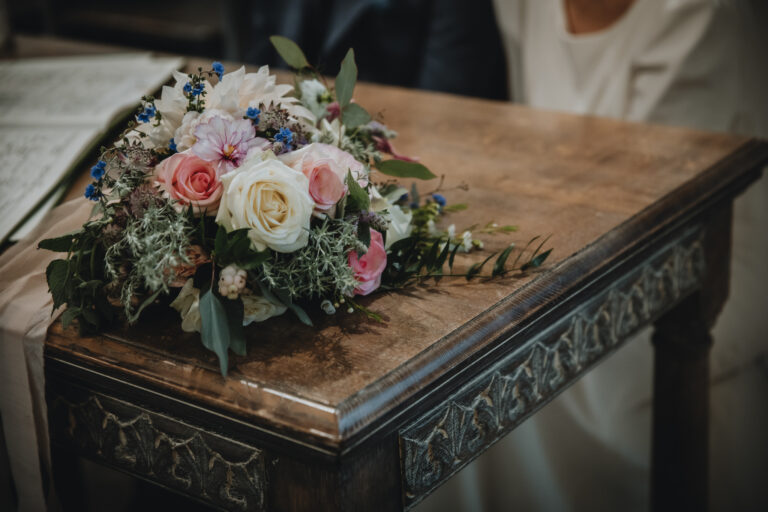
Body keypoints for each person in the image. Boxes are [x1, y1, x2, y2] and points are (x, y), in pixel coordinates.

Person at [418, 0, 768, 510]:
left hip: (702, 254)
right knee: (454, 337)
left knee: (499, 357)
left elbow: (662, 203)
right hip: (565, 233)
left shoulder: (695, 14)